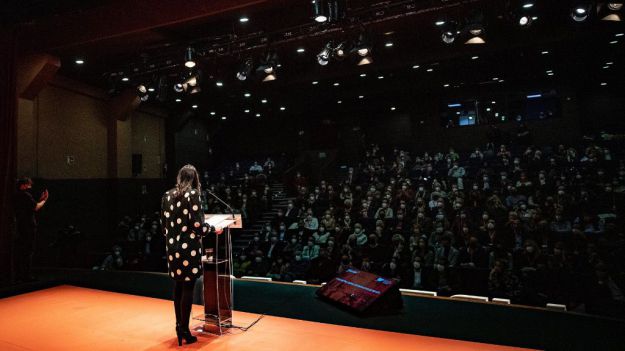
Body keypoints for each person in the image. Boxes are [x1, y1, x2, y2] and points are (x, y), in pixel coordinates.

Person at [161, 165, 211, 346]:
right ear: (194, 178)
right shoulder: (193, 195)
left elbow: (163, 225)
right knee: (188, 286)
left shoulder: (167, 195)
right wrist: (211, 229)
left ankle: (178, 327)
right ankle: (184, 329)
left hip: (172, 249)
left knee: (178, 286)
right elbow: (198, 225)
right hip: (188, 248)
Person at [14, 177, 48, 282]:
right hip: (28, 226)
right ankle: (26, 276)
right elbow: (36, 207)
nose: (30, 187)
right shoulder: (25, 195)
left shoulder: (16, 195)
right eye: (29, 185)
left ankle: (20, 274)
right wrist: (44, 200)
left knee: (22, 250)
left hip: (20, 226)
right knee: (28, 251)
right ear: (23, 185)